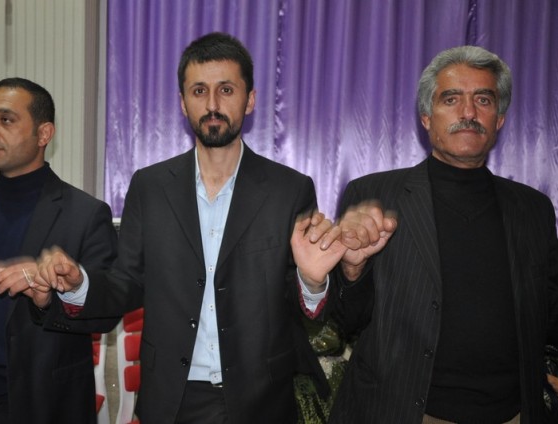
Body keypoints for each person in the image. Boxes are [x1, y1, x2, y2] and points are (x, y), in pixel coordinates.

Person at [25, 32, 337, 424]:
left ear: (250, 100)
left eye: (226, 90)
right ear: (182, 102)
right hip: (172, 398)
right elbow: (125, 283)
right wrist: (78, 285)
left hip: (261, 398)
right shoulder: (150, 187)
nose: (212, 105)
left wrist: (311, 282)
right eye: (199, 91)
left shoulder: (289, 190)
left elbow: (299, 299)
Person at [302, 46, 558, 423]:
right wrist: (352, 271)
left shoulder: (534, 209)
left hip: (513, 414)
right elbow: (346, 322)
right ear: (426, 117)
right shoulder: (374, 196)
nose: (468, 113)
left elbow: (550, 319)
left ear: (500, 118)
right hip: (404, 413)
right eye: (451, 99)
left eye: (483, 100)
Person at [0, 78, 118, 423]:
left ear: (44, 134)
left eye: (6, 119)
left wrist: (56, 294)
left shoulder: (85, 214)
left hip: (36, 403)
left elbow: (105, 313)